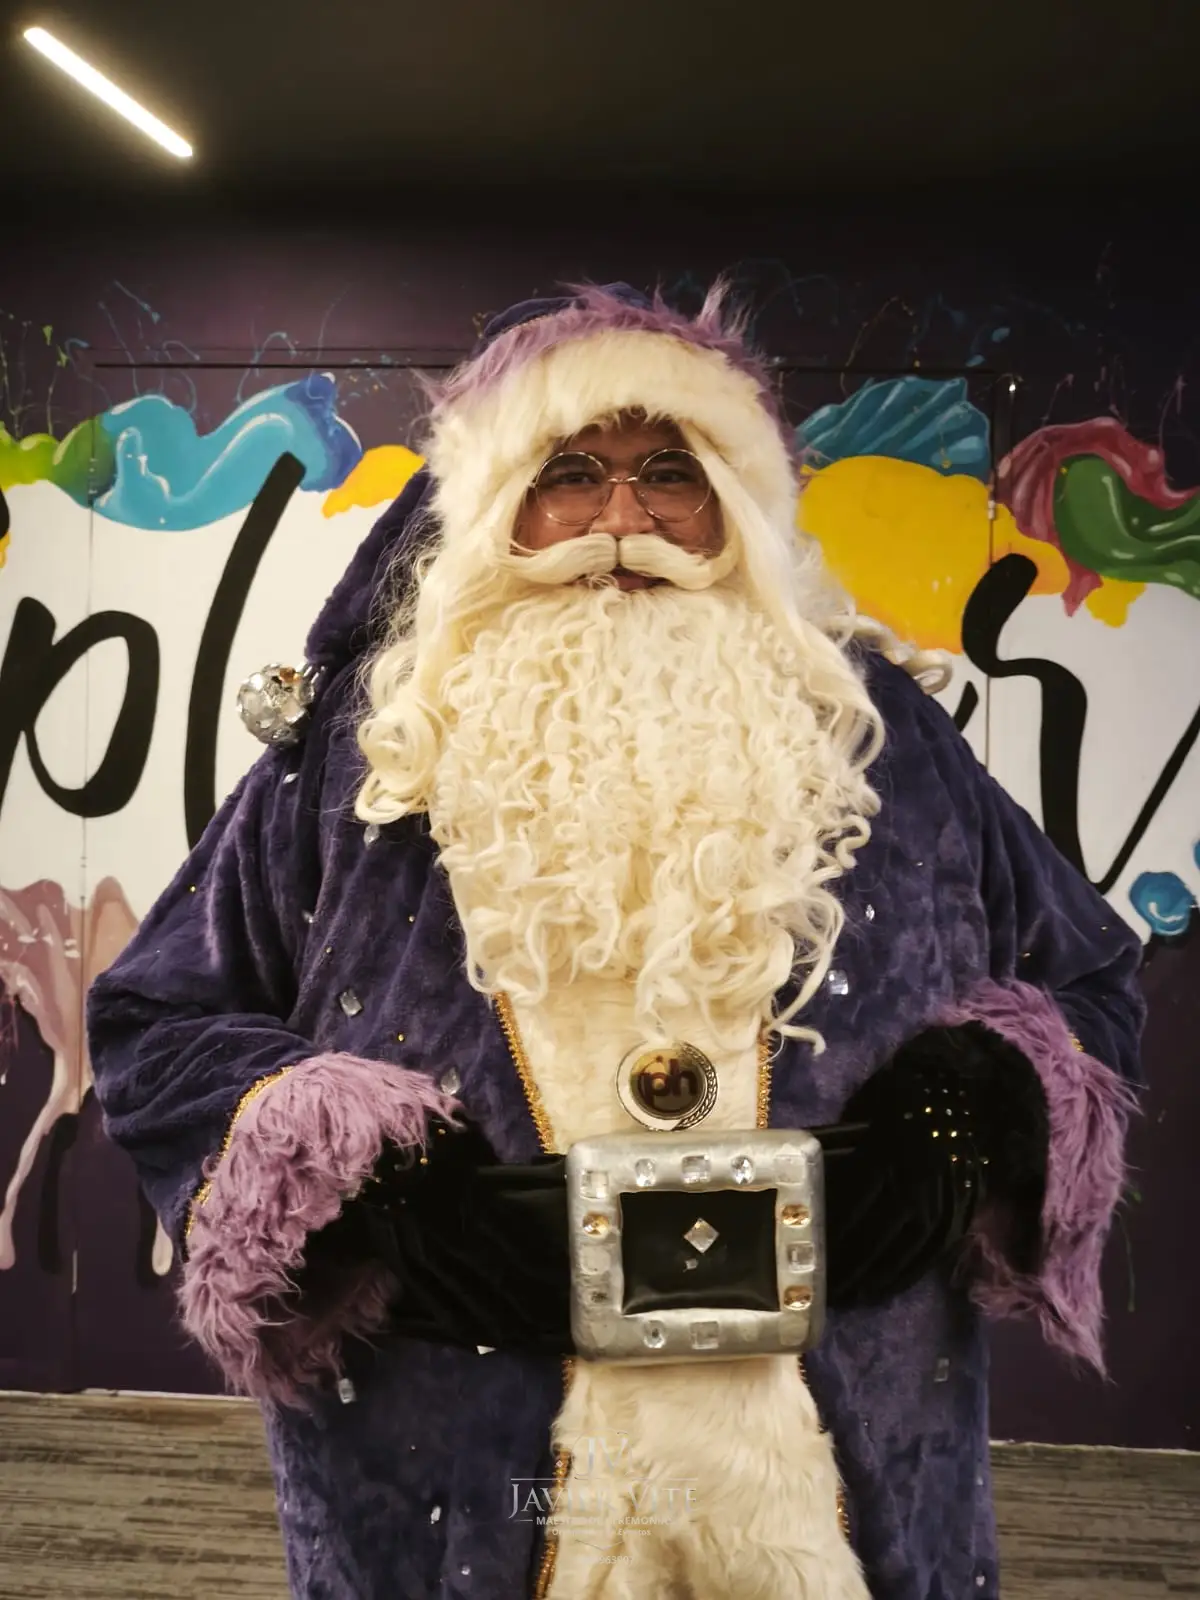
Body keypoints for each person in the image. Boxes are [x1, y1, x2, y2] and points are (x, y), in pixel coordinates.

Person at [87, 282, 1143, 1600]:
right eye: (570, 475)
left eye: (670, 474)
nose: (624, 521)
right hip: (459, 1469)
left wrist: (965, 1114)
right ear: (495, 506)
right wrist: (378, 1185)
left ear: (732, 502)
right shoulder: (362, 748)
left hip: (844, 1454)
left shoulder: (879, 731)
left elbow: (1086, 976)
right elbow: (159, 1023)